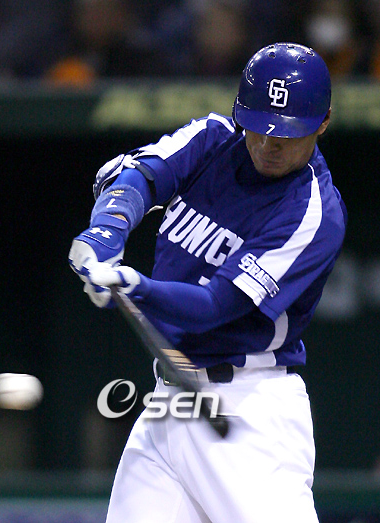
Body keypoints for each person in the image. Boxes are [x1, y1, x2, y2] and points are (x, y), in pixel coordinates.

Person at [69, 42, 347, 523]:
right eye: (258, 127)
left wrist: (134, 286)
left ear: (322, 123)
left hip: (246, 412)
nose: (268, 144)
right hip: (167, 404)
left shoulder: (313, 213)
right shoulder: (213, 138)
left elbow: (214, 306)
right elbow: (138, 178)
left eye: (286, 134)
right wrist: (106, 233)